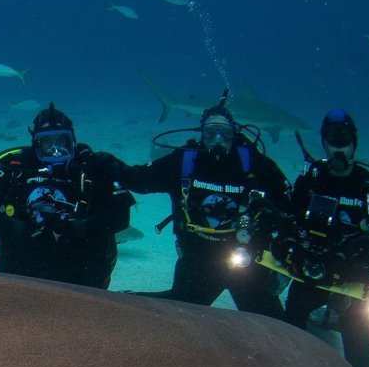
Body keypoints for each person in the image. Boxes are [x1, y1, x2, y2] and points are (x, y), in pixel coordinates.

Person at [117, 91, 291, 318]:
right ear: (201, 134)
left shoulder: (256, 164)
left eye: (225, 133)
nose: (218, 139)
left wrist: (284, 263)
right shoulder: (184, 161)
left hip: (247, 262)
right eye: (210, 132)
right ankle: (124, 302)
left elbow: (291, 206)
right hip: (198, 259)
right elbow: (138, 179)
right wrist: (106, 164)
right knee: (177, 318)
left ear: (235, 134)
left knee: (274, 326)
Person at [275, 109, 369, 367]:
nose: (338, 146)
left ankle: (333, 321)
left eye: (344, 139)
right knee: (280, 357)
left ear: (354, 142)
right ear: (323, 143)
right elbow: (284, 226)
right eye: (332, 139)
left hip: (355, 287)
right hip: (311, 277)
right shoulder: (311, 180)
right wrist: (292, 253)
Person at [0, 103, 135, 289]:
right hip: (22, 264)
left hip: (84, 265)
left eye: (62, 141)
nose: (56, 150)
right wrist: (20, 229)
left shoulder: (94, 166)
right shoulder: (12, 165)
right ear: (35, 142)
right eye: (47, 142)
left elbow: (121, 217)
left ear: (72, 140)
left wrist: (78, 229)